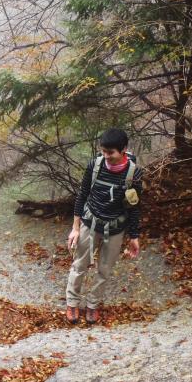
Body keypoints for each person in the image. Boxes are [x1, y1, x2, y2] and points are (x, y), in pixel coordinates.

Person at [65, 128, 142, 324]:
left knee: (104, 270)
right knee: (79, 265)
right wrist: (75, 228)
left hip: (115, 229)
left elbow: (134, 206)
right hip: (89, 223)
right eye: (103, 151)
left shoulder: (134, 173)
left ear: (123, 150)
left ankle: (92, 305)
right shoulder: (95, 165)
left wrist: (134, 236)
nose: (106, 156)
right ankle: (72, 302)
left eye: (111, 152)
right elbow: (82, 195)